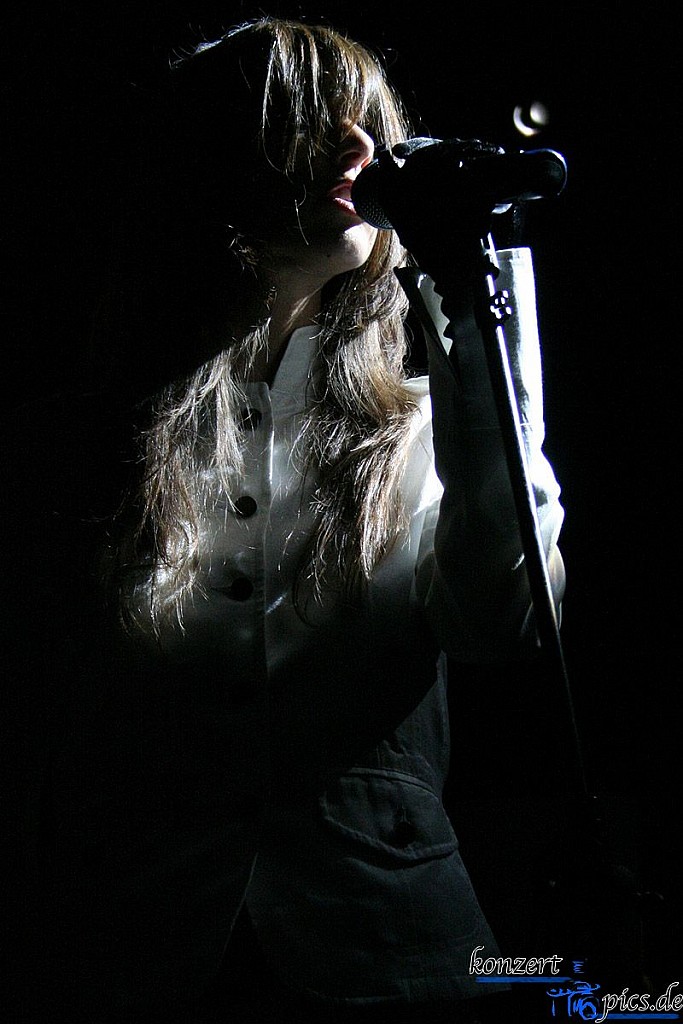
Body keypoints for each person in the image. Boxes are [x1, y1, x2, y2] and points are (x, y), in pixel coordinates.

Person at [5, 16, 565, 1024]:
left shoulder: (432, 422)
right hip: (126, 959)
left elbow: (503, 624)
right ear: (208, 157)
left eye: (370, 125)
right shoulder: (76, 432)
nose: (357, 148)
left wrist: (479, 321)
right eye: (309, 117)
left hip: (389, 955)